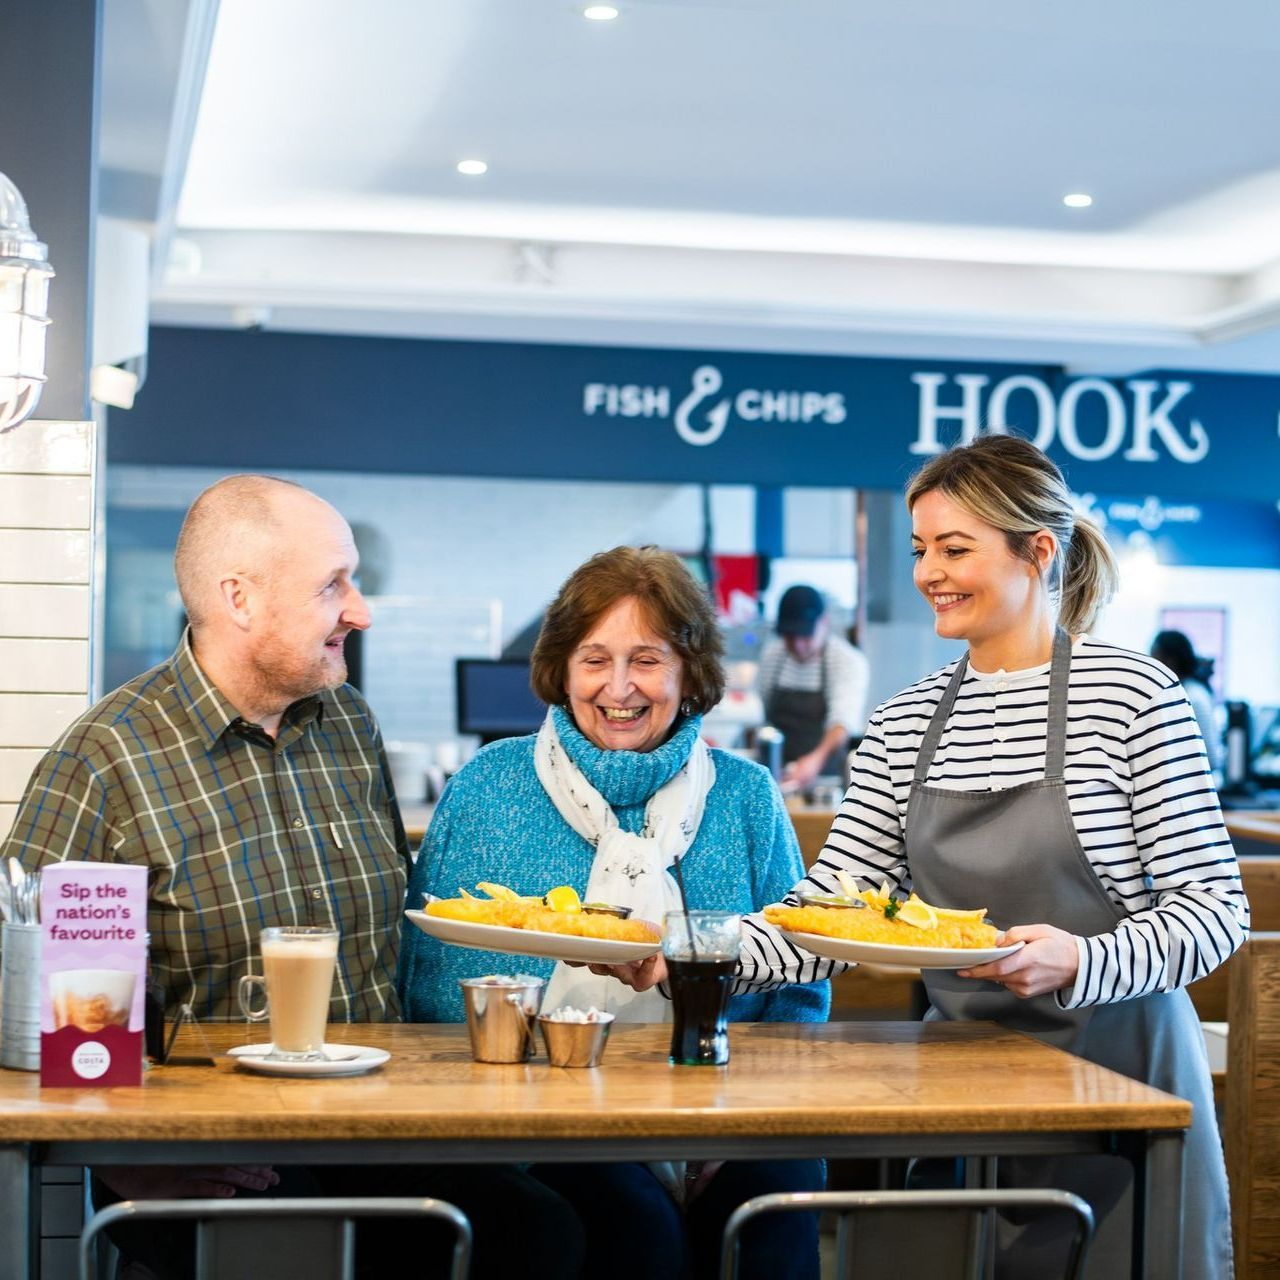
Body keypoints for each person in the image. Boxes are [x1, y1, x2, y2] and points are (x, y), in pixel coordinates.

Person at [608, 438, 1249, 1280]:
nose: (929, 572)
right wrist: (684, 952)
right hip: (960, 1081)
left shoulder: (1135, 701)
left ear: (1038, 552)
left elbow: (1215, 912)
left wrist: (1081, 959)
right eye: (920, 550)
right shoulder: (906, 721)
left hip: (1120, 1083)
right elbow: (832, 913)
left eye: (955, 548)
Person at [2, 474, 582, 1280]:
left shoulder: (348, 723)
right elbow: (27, 1008)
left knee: (546, 1233)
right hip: (217, 1149)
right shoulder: (105, 761)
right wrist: (121, 1157)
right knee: (301, 1250)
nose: (361, 610)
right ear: (238, 597)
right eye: (332, 584)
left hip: (381, 1128)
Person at [399, 545, 829, 1280]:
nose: (620, 687)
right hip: (538, 1119)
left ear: (690, 672)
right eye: (595, 659)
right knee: (632, 1221)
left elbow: (798, 992)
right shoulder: (487, 788)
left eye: (648, 660)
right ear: (561, 671)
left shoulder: (747, 795)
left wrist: (737, 1121)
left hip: (726, 1104)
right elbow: (436, 990)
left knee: (778, 1196)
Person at [757, 583, 869, 791]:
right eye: (790, 636)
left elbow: (842, 723)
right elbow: (765, 711)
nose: (798, 645)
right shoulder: (772, 656)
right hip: (776, 778)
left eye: (805, 635)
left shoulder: (847, 660)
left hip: (826, 781)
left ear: (824, 623)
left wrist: (815, 760)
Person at [1151, 628, 1224, 774]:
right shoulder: (1177, 691)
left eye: (1154, 656)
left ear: (1171, 660)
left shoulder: (1194, 696)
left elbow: (1211, 757)